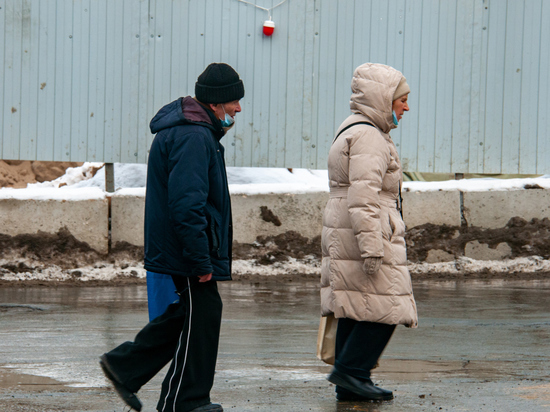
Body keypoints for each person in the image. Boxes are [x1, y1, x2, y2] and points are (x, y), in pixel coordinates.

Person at [99, 62, 244, 412]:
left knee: (195, 313)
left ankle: (127, 368)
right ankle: (184, 400)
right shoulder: (193, 136)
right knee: (202, 311)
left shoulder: (196, 132)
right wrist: (200, 259)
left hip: (186, 245)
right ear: (216, 103)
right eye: (234, 101)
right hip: (187, 248)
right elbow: (186, 205)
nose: (238, 108)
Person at [320, 62, 418, 402]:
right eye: (401, 99)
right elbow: (363, 198)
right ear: (383, 98)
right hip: (365, 232)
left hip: (350, 231)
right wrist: (372, 246)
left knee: (357, 306)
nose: (407, 107)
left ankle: (351, 379)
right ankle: (350, 371)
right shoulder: (369, 137)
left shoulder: (356, 130)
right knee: (389, 306)